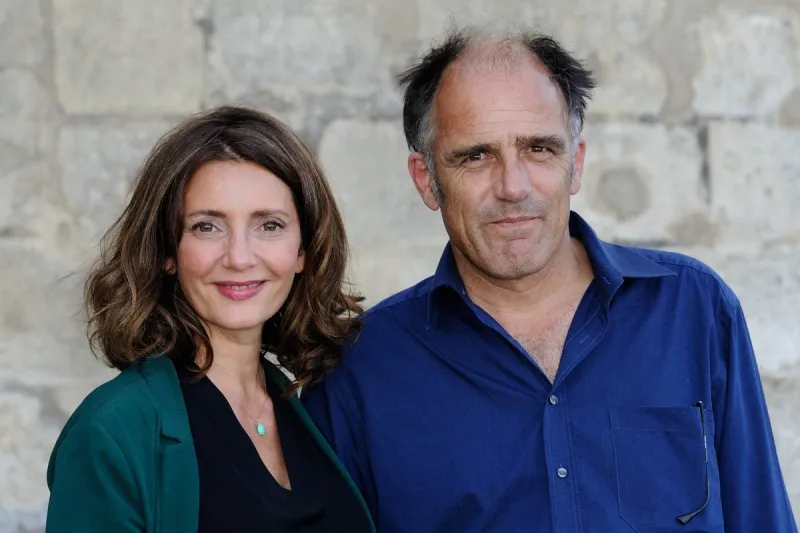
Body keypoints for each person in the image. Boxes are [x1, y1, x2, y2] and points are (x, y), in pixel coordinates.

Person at [302, 26, 798, 532]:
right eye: (476, 156)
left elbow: (760, 516)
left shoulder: (693, 309)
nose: (513, 187)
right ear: (427, 179)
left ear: (575, 163)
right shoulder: (359, 370)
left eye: (539, 149)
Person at [45, 105, 375, 533]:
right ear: (166, 252)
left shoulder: (311, 408)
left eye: (269, 225)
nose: (239, 257)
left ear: (303, 252)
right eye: (207, 227)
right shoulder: (111, 433)